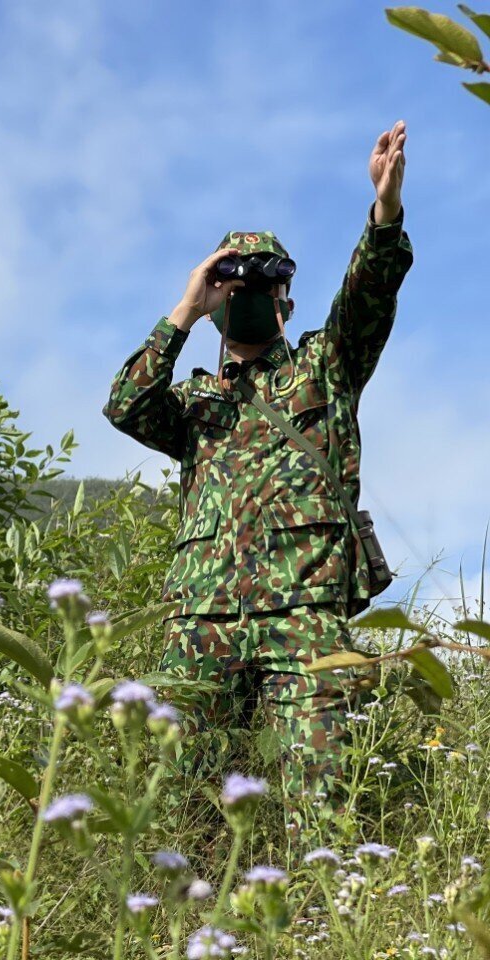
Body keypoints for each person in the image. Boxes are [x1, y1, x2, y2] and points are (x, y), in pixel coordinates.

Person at [102, 121, 413, 798]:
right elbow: (126, 405)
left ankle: (320, 902)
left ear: (286, 301)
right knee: (175, 798)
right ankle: (181, 903)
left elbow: (368, 299)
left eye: (260, 285)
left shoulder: (323, 370)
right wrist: (186, 308)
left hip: (304, 614)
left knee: (319, 791)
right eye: (229, 283)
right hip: (201, 620)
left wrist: (384, 213)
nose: (244, 295)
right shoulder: (192, 403)